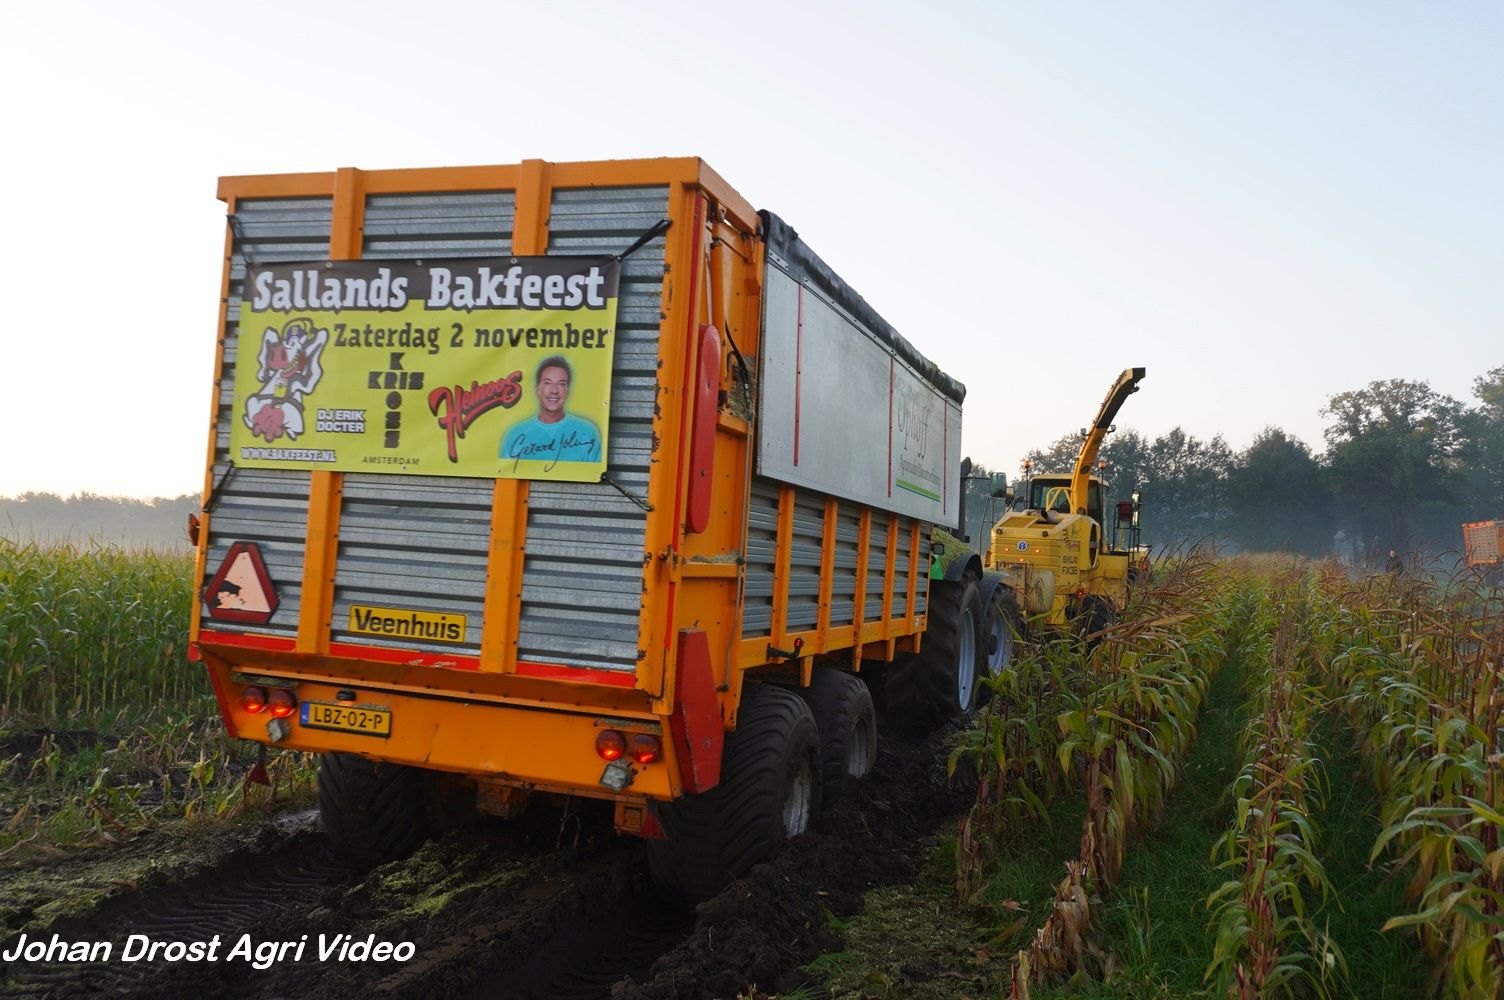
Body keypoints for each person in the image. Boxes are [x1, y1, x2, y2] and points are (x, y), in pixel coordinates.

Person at [499, 356, 602, 466]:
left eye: (561, 384)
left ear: (567, 391)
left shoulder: (587, 431)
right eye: (547, 383)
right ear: (537, 389)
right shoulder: (516, 434)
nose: (554, 390)